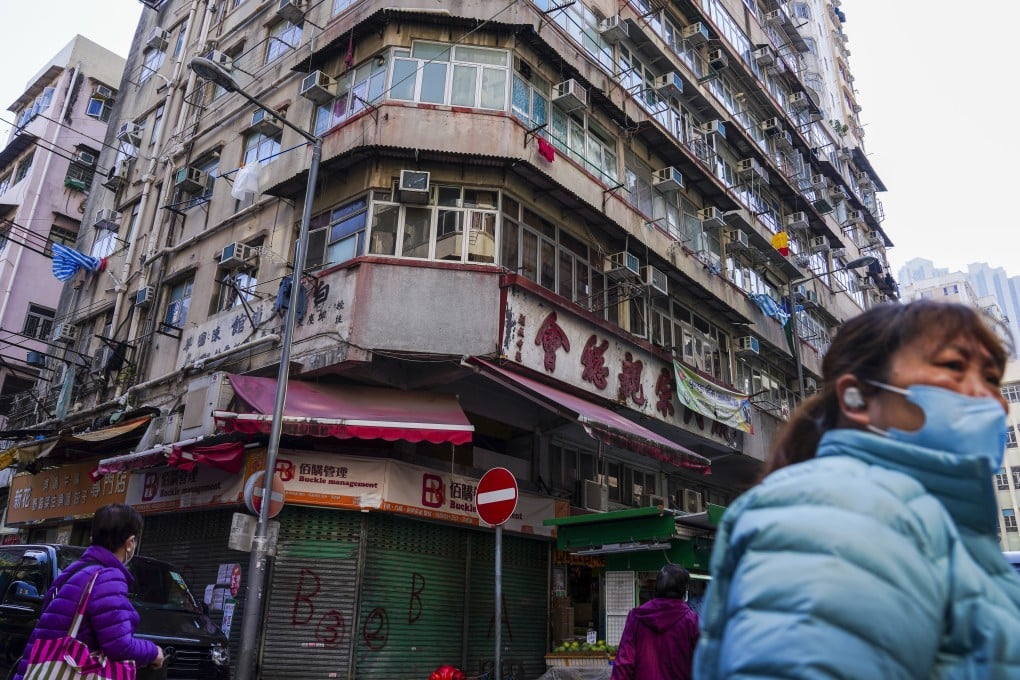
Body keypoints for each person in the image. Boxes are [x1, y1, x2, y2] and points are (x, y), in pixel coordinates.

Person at [694, 300, 1020, 679]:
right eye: (953, 366)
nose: (989, 398)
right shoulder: (835, 512)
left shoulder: (938, 527)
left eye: (993, 378)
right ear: (858, 398)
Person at [13, 503, 163, 680]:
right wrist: (154, 652)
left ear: (92, 538)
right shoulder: (109, 577)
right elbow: (118, 645)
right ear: (129, 543)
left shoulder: (74, 571)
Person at [611, 564, 699, 680]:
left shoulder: (636, 617)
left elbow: (624, 663)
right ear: (684, 592)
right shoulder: (692, 622)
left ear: (656, 589)